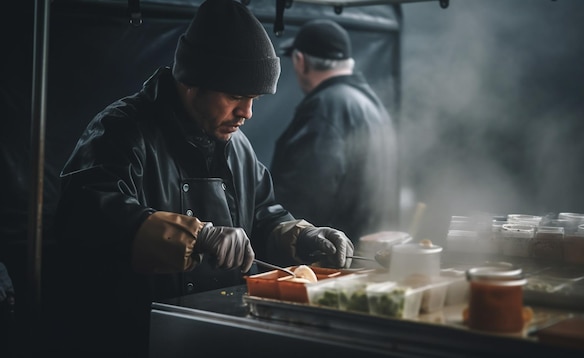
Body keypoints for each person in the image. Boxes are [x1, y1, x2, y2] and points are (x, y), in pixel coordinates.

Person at [50, 1, 353, 356]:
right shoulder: (122, 131)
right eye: (236, 96)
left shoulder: (237, 145)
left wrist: (302, 237)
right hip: (132, 339)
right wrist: (198, 237)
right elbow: (87, 216)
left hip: (214, 335)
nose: (248, 113)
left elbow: (263, 214)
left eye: (254, 98)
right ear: (192, 81)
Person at [270, 19, 399, 245]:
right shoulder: (373, 105)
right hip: (366, 256)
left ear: (300, 61)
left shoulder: (324, 109)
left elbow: (303, 202)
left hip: (330, 263)